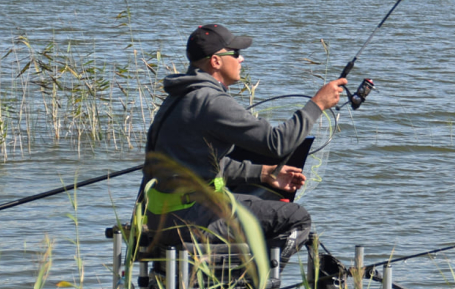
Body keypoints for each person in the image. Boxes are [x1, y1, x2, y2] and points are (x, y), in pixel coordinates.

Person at [137, 23, 346, 261]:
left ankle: (232, 282)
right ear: (215, 61)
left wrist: (264, 174)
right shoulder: (211, 101)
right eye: (235, 53)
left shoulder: (179, 97)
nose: (241, 59)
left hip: (163, 217)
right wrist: (317, 104)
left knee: (260, 205)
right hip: (190, 219)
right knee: (296, 218)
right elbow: (277, 143)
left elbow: (203, 163)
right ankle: (254, 286)